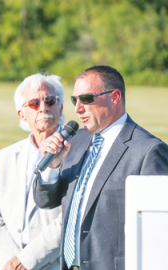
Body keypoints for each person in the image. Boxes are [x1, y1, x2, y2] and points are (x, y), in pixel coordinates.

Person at [33, 65, 168, 270]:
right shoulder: (75, 142)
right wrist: (52, 166)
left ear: (114, 97)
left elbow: (158, 233)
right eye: (74, 100)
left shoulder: (149, 150)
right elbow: (45, 201)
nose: (78, 108)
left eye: (86, 99)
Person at [0, 74, 63, 270]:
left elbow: (70, 217)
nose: (43, 107)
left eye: (50, 100)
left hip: (53, 264)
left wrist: (28, 261)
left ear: (60, 107)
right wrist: (12, 262)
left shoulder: (78, 152)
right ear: (22, 114)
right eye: (34, 103)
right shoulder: (6, 157)